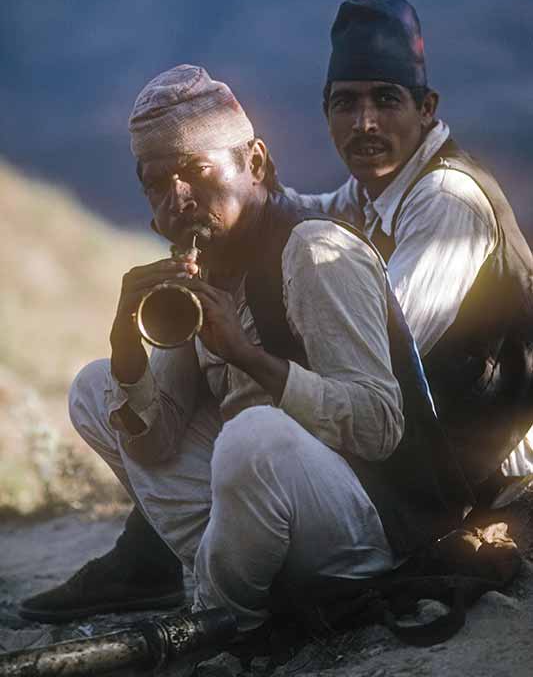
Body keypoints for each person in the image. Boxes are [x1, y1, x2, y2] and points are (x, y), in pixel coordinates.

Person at [21, 64, 469, 631]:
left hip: (375, 525)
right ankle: (240, 581)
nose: (176, 199)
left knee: (253, 434)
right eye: (157, 186)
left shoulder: (314, 251)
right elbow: (155, 447)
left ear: (253, 163)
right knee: (95, 386)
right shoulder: (205, 266)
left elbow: (379, 426)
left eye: (194, 172)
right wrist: (126, 344)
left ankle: (226, 611)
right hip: (278, 513)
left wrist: (249, 357)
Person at [286, 0, 533, 509]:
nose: (365, 123)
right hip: (434, 452)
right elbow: (297, 213)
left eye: (385, 99)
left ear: (426, 109)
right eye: (346, 103)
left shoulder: (446, 200)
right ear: (326, 110)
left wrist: (262, 362)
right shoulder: (371, 192)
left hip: (492, 475)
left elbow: (378, 356)